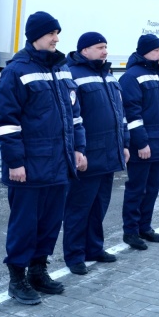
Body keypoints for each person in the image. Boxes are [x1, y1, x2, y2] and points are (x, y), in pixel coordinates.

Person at [0, 11, 86, 305]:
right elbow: (6, 121)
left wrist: (79, 149)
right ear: (35, 36)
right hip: (30, 166)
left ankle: (38, 270)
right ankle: (17, 279)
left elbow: (75, 117)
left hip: (59, 164)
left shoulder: (63, 69)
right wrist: (15, 162)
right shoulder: (16, 71)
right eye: (51, 34)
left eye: (57, 33)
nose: (56, 39)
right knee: (25, 226)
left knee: (50, 222)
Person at [63, 32, 129, 275]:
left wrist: (125, 144)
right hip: (88, 155)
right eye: (100, 47)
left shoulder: (109, 76)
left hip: (110, 153)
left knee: (99, 206)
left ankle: (94, 247)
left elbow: (120, 115)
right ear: (84, 50)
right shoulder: (73, 75)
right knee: (79, 207)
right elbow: (71, 119)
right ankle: (74, 254)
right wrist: (78, 151)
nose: (105, 51)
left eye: (106, 47)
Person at [120, 34, 159, 250]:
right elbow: (132, 114)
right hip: (143, 146)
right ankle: (131, 231)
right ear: (144, 52)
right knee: (137, 189)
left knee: (152, 188)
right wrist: (141, 143)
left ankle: (145, 226)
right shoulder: (132, 77)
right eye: (156, 50)